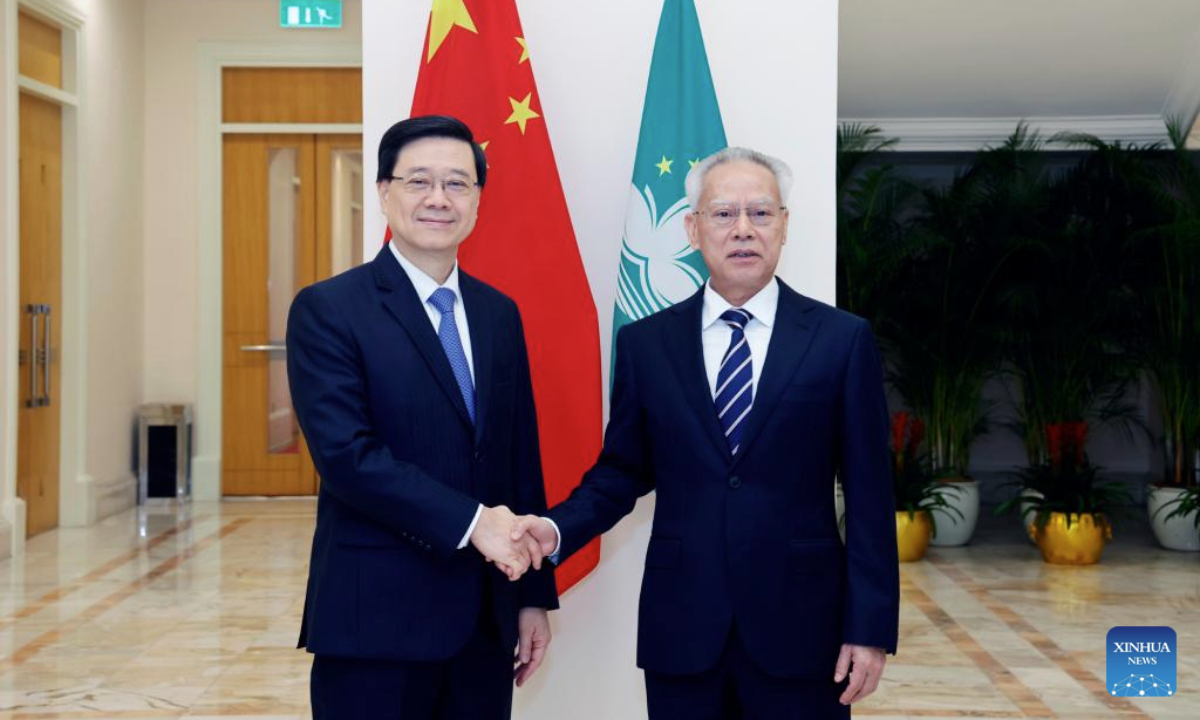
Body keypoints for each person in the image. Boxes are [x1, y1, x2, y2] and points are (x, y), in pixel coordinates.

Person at [514, 147, 899, 718]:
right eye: (723, 214)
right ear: (693, 229)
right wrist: (554, 528)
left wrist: (869, 628)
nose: (743, 229)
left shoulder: (841, 340)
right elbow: (622, 471)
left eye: (761, 213)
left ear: (785, 226)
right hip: (684, 627)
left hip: (802, 629)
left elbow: (869, 495)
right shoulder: (647, 345)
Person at [287, 115, 557, 719]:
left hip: (485, 625)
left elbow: (518, 459)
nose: (439, 198)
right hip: (374, 624)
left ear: (478, 202)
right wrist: (474, 523)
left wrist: (534, 597)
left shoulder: (498, 314)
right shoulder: (329, 309)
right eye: (419, 181)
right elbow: (346, 458)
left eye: (458, 184)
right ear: (384, 192)